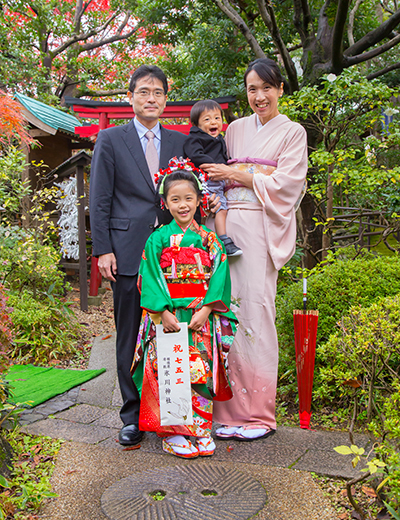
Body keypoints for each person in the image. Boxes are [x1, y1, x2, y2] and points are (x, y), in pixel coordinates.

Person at [201, 58, 308, 441]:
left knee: (256, 314)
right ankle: (224, 410)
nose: (259, 96)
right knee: (223, 311)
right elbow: (210, 173)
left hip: (261, 228)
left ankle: (258, 415)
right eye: (252, 89)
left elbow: (288, 184)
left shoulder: (292, 132)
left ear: (280, 89)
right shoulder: (234, 129)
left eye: (266, 87)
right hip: (225, 227)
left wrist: (237, 174)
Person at [89, 65, 186, 447]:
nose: (151, 98)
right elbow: (100, 198)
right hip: (127, 252)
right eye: (144, 91)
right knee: (128, 333)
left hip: (172, 252)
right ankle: (131, 415)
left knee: (172, 331)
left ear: (166, 98)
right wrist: (103, 250)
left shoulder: (179, 143)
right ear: (131, 97)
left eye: (158, 92)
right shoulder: (111, 139)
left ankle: (171, 410)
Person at [132, 160, 238, 458]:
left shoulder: (209, 239)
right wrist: (161, 313)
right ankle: (174, 434)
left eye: (188, 198)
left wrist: (206, 309)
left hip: (200, 317)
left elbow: (220, 274)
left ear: (199, 200)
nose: (182, 205)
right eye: (175, 199)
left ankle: (202, 430)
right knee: (170, 370)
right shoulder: (158, 239)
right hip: (168, 317)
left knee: (199, 371)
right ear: (165, 203)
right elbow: (149, 276)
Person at [184, 99, 242, 256]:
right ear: (196, 125)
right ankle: (222, 239)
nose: (213, 122)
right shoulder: (195, 138)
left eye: (217, 118)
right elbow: (195, 155)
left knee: (220, 209)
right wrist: (215, 166)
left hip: (218, 180)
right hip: (206, 180)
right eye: (207, 119)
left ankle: (209, 241)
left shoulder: (219, 139)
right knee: (219, 209)